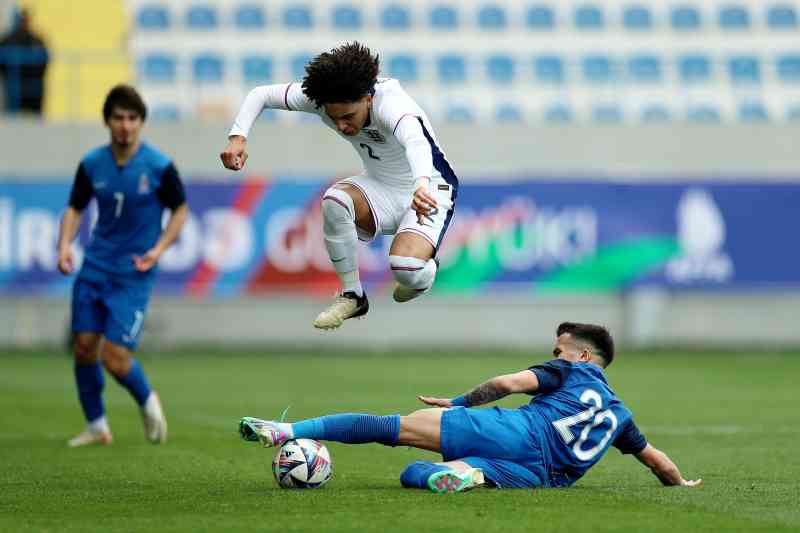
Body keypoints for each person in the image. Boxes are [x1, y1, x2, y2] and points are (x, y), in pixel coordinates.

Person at [238, 322, 702, 493]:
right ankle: (467, 474)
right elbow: (656, 461)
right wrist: (681, 483)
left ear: (583, 356)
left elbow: (506, 383)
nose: (554, 355)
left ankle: (287, 431)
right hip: (543, 478)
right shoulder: (620, 416)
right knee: (412, 475)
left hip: (519, 433)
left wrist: (458, 403)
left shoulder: (569, 372)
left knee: (388, 426)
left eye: (560, 350)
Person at [221, 42, 457, 330]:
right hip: (380, 187)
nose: (342, 126)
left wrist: (420, 184)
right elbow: (261, 95)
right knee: (335, 199)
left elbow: (416, 143)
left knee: (406, 268)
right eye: (334, 119)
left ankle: (425, 274)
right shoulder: (321, 99)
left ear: (368, 99)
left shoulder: (393, 105)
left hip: (430, 188)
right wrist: (238, 137)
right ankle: (353, 295)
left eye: (348, 117)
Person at [57, 85, 188, 447]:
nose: (125, 125)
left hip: (134, 273)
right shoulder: (92, 164)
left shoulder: (159, 166)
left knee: (114, 358)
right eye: (118, 118)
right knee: (84, 347)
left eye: (132, 118)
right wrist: (65, 244)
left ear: (141, 122)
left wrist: (159, 248)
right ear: (107, 121)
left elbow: (180, 210)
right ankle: (96, 425)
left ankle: (147, 399)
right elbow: (75, 207)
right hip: (95, 266)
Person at [0, 8, 49, 114]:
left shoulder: (36, 40)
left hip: (33, 89)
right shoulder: (7, 40)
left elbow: (44, 62)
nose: (24, 23)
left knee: (34, 118)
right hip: (13, 89)